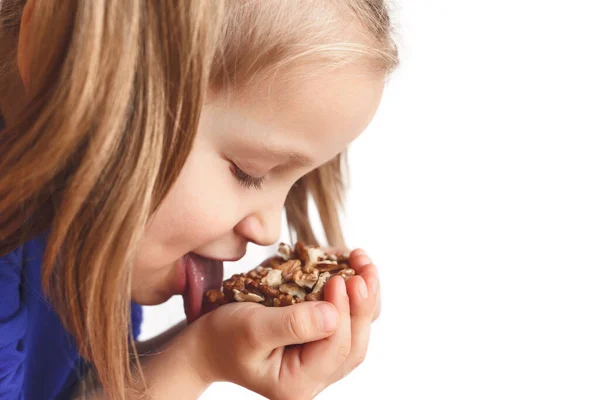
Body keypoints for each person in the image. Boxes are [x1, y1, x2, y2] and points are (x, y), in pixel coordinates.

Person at [0, 0, 399, 398]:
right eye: (249, 171)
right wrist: (195, 365)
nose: (269, 231)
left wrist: (201, 348)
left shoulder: (88, 225)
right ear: (71, 62)